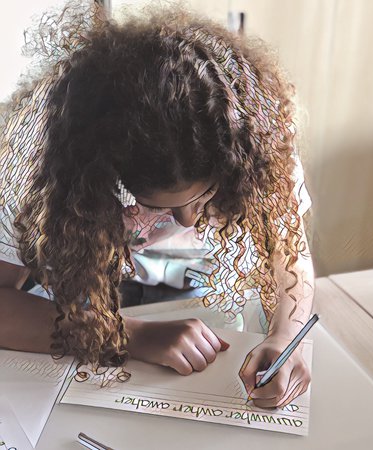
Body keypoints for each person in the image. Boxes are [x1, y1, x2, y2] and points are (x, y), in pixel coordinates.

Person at [0, 0, 314, 409]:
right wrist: (128, 335)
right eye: (157, 206)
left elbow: (290, 251)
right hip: (79, 304)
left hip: (214, 304)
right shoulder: (39, 163)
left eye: (204, 196)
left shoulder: (249, 131)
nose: (188, 220)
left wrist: (288, 336)